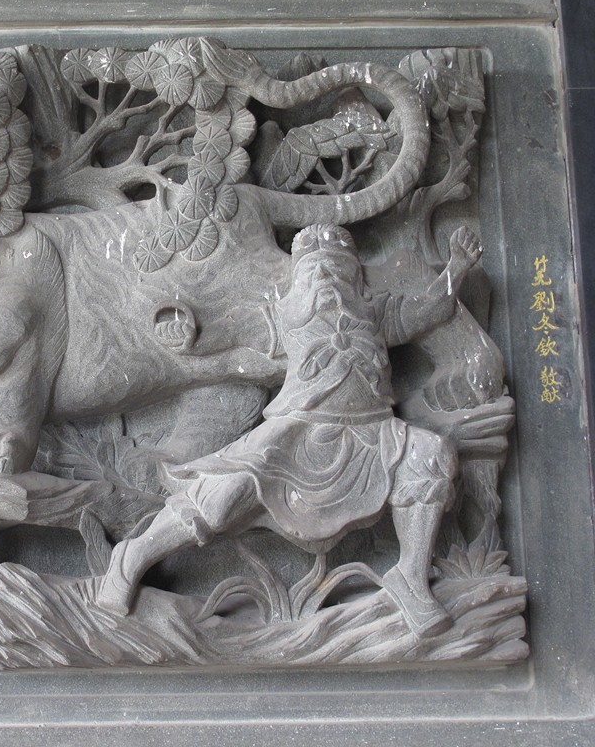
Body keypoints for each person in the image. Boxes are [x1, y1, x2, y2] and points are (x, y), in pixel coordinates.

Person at [97, 223, 483, 637]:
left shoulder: (377, 314)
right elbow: (230, 329)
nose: (326, 280)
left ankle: (411, 576)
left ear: (355, 277)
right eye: (315, 271)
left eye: (336, 270)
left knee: (430, 456)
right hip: (296, 433)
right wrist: (188, 333)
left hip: (373, 434)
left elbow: (429, 310)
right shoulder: (285, 317)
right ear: (299, 279)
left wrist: (457, 268)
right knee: (226, 494)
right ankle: (134, 556)